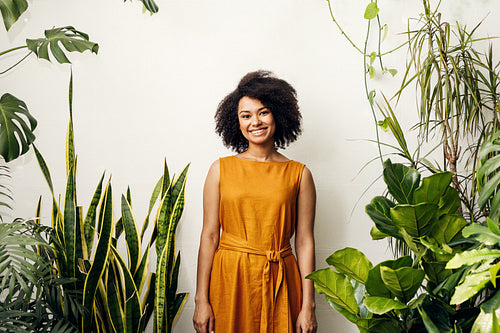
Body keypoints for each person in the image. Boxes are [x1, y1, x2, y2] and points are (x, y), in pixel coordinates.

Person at [193, 70, 317, 333]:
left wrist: (308, 306)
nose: (255, 122)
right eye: (245, 115)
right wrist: (200, 299)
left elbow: (304, 241)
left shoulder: (300, 174)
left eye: (263, 112)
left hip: (281, 280)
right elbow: (210, 236)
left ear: (278, 115)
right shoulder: (220, 169)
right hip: (230, 279)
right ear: (236, 122)